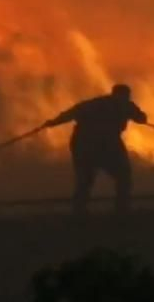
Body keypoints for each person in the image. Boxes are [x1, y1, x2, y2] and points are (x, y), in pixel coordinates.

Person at [42, 84, 148, 216]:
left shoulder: (94, 103)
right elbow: (142, 118)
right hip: (107, 144)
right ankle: (122, 211)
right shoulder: (126, 105)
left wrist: (53, 122)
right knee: (123, 176)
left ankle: (79, 212)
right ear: (126, 95)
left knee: (85, 179)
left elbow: (72, 113)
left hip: (83, 143)